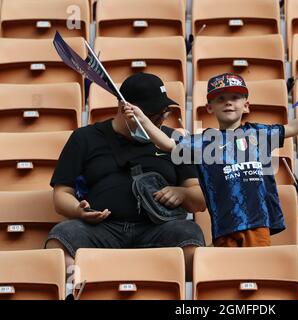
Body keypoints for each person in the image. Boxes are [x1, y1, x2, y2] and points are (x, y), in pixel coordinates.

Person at [123, 73, 298, 247]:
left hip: (257, 223)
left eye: (235, 97)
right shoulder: (203, 142)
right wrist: (143, 119)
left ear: (246, 106)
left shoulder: (259, 133)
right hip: (225, 225)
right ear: (209, 107)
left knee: (257, 272)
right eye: (220, 99)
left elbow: (293, 128)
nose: (228, 102)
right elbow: (167, 144)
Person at [45, 72, 206, 282]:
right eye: (152, 114)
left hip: (157, 228)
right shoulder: (84, 138)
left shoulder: (173, 141)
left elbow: (199, 200)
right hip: (102, 229)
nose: (160, 119)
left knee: (189, 233)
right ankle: (78, 291)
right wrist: (79, 211)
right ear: (124, 109)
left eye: (164, 112)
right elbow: (61, 194)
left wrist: (182, 193)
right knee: (61, 238)